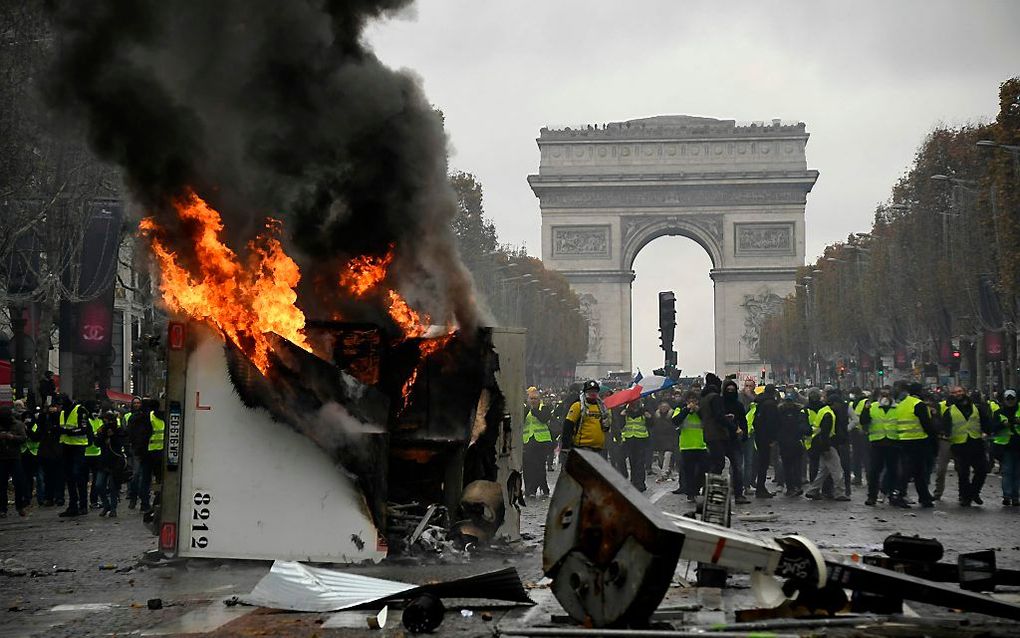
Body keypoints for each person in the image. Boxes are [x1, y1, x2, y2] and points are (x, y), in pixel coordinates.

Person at [941, 386, 990, 507]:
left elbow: (986, 423)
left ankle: (974, 492)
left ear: (965, 392)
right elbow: (946, 426)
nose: (958, 394)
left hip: (976, 443)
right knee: (963, 473)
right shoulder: (950, 410)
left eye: (960, 391)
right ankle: (965, 497)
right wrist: (945, 435)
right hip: (959, 445)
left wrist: (986, 432)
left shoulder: (977, 408)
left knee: (982, 470)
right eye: (955, 392)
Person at [803, 388, 850, 501]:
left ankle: (812, 490)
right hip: (828, 445)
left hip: (820, 444)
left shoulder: (824, 411)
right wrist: (826, 448)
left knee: (823, 471)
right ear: (834, 403)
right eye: (838, 404)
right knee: (837, 471)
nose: (840, 406)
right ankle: (840, 493)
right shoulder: (828, 414)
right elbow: (825, 433)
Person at [894, 381, 935, 508]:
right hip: (917, 441)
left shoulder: (900, 404)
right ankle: (903, 495)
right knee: (917, 471)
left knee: (910, 470)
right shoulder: (918, 404)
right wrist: (933, 439)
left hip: (901, 440)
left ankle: (922, 496)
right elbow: (926, 424)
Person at [859, 386, 899, 506]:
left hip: (893, 443)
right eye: (883, 394)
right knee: (874, 472)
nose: (885, 397)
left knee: (893, 471)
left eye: (887, 394)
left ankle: (892, 494)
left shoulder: (898, 408)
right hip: (877, 443)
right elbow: (864, 421)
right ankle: (872, 496)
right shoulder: (872, 407)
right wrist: (865, 410)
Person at [672, 390, 708, 500]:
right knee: (689, 471)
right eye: (690, 401)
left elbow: (708, 420)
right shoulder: (680, 409)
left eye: (694, 401)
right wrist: (687, 410)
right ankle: (690, 492)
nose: (692, 403)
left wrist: (698, 411)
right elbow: (675, 420)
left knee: (701, 471)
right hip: (686, 445)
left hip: (701, 445)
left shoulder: (703, 410)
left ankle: (696, 488)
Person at [58, 395, 90, 517]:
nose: (59, 407)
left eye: (60, 405)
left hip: (78, 446)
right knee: (69, 477)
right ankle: (73, 506)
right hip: (66, 447)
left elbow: (83, 429)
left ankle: (83, 505)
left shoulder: (80, 410)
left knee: (78, 475)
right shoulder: (62, 412)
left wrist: (68, 432)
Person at [719, 378, 749, 504]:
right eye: (728, 389)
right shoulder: (719, 404)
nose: (730, 392)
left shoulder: (738, 405)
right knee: (718, 468)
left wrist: (744, 433)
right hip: (721, 439)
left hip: (734, 440)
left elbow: (743, 421)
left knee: (738, 468)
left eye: (732, 390)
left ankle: (738, 494)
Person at [94, 411, 129, 517]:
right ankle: (106, 505)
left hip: (115, 462)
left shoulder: (119, 430)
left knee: (113, 487)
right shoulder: (102, 429)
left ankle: (113, 508)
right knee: (99, 485)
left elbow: (122, 442)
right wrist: (103, 435)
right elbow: (97, 443)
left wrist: (113, 437)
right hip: (104, 461)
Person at [562, 380, 610, 456]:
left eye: (595, 391)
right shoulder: (577, 406)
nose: (593, 393)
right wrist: (565, 446)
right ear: (584, 392)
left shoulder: (602, 407)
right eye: (590, 391)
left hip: (599, 448)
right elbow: (568, 426)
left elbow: (605, 427)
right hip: (582, 447)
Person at [522, 387, 554, 498]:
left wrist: (534, 410)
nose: (533, 400)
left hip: (542, 441)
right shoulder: (524, 409)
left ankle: (535, 489)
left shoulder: (544, 408)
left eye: (535, 398)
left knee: (539, 466)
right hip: (528, 441)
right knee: (529, 467)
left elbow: (544, 418)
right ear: (527, 399)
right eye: (531, 398)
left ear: (539, 399)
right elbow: (520, 420)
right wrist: (527, 409)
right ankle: (535, 488)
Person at [776, 388, 808, 496]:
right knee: (793, 466)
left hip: (789, 442)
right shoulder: (799, 411)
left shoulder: (780, 411)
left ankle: (792, 487)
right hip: (792, 442)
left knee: (791, 466)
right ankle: (794, 487)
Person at [750, 385, 779, 498]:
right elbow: (772, 423)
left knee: (760, 462)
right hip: (766, 438)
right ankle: (761, 489)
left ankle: (760, 487)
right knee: (764, 463)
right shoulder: (771, 404)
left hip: (759, 436)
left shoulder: (760, 402)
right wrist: (772, 439)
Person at [0, 406, 30, 517]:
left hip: (14, 457)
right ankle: (3, 508)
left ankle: (20, 506)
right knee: (2, 485)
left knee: (19, 483)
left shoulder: (18, 425)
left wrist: (12, 437)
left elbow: (23, 438)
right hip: (2, 458)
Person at [992, 389, 1019, 506]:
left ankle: (1015, 496)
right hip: (1005, 447)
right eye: (1008, 399)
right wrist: (1002, 425)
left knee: (1017, 473)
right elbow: (992, 427)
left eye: (1012, 399)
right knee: (1007, 472)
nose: (1010, 401)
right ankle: (1007, 495)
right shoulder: (999, 412)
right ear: (1004, 400)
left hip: (1018, 445)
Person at [620, 400, 651, 491]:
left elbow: (651, 424)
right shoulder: (625, 411)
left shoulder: (644, 411)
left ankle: (640, 483)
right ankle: (634, 481)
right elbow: (621, 425)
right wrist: (621, 416)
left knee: (640, 462)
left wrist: (649, 417)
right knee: (632, 461)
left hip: (641, 439)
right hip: (629, 439)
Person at [650, 401, 678, 483]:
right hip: (659, 439)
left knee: (667, 456)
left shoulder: (672, 415)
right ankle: (667, 471)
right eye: (662, 407)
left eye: (666, 407)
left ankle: (664, 473)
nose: (664, 408)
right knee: (660, 458)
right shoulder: (656, 416)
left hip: (669, 438)